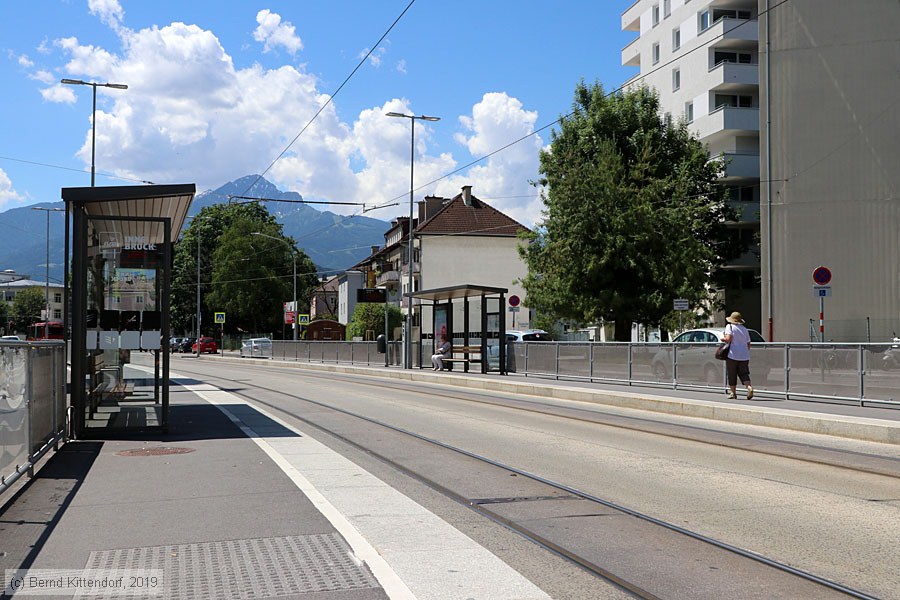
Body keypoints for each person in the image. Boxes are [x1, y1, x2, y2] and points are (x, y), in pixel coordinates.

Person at [723, 311, 753, 400]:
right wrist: (745, 352)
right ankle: (749, 387)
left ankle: (733, 393)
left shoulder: (730, 326)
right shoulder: (744, 329)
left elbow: (728, 339)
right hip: (744, 355)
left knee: (732, 374)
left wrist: (723, 338)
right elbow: (748, 343)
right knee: (744, 373)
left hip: (733, 354)